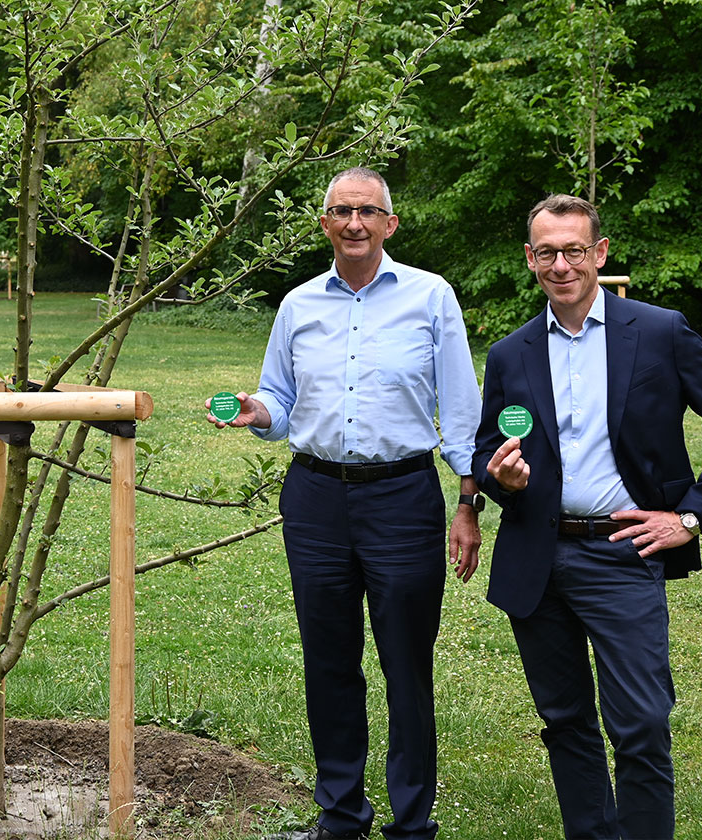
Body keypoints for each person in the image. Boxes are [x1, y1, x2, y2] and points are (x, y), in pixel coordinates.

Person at [474, 195, 702, 839]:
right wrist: (502, 479)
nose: (561, 265)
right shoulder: (511, 353)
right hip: (537, 558)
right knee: (565, 721)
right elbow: (487, 448)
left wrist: (689, 518)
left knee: (641, 724)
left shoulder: (659, 331)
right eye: (547, 252)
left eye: (574, 250)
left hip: (623, 553)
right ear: (530, 259)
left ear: (599, 253)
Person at [210, 167, 483, 840]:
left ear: (390, 223)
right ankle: (341, 817)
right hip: (316, 501)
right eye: (342, 211)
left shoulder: (431, 297)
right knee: (328, 660)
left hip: (403, 498)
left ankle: (412, 824)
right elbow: (278, 398)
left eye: (367, 211)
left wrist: (468, 501)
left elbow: (461, 408)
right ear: (325, 223)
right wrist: (257, 411)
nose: (354, 223)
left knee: (406, 665)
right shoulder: (298, 305)